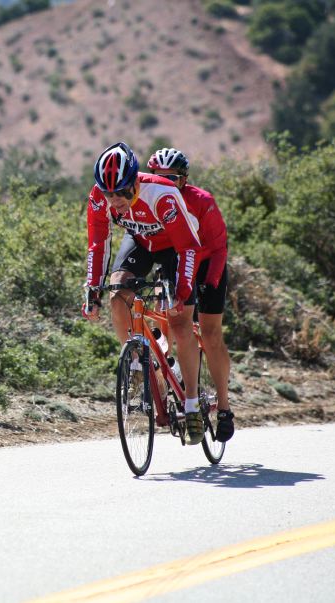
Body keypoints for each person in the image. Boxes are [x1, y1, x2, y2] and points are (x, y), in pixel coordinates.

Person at [81, 141, 206, 444]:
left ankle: (191, 403)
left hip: (175, 246)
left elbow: (189, 247)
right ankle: (137, 370)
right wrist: (92, 289)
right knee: (117, 295)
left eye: (122, 192)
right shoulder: (100, 198)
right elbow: (98, 244)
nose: (115, 201)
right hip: (140, 241)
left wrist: (183, 289)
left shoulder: (160, 195)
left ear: (135, 181)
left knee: (179, 321)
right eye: (109, 193)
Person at [146, 147, 234, 442]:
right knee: (169, 322)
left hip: (207, 264)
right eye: (160, 178)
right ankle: (172, 374)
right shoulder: (151, 199)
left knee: (210, 335)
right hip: (174, 261)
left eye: (173, 178)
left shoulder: (202, 201)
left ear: (184, 179)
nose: (167, 183)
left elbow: (220, 246)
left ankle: (223, 407)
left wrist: (210, 280)